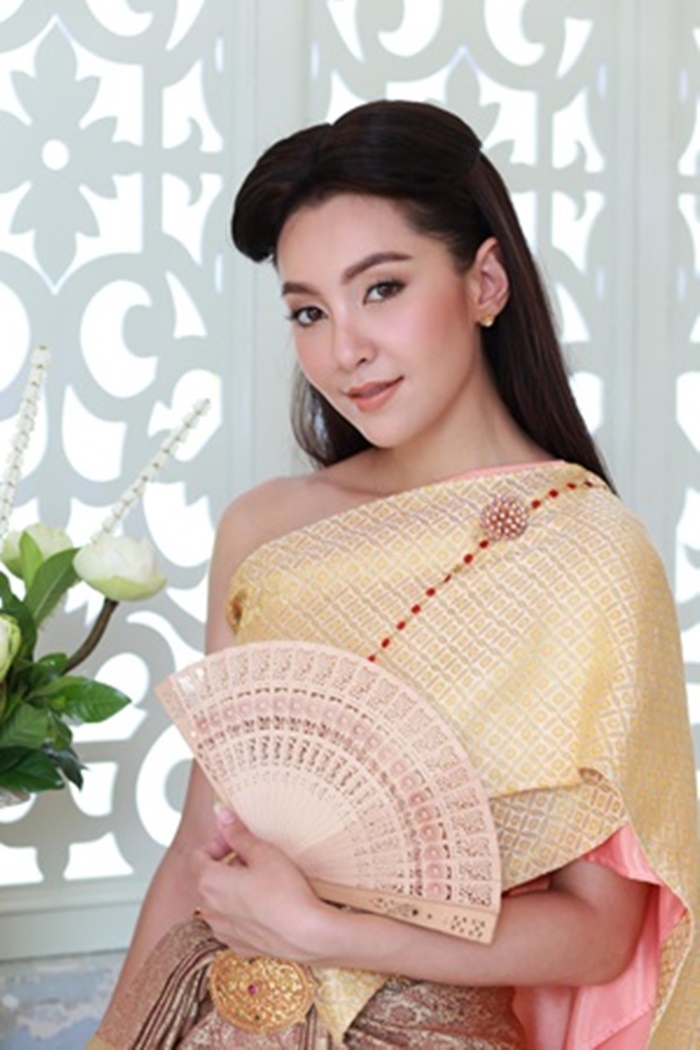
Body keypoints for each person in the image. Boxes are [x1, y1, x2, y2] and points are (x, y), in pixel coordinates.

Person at [88, 100, 699, 1049]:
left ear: (484, 281)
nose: (345, 350)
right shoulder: (264, 531)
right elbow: (194, 849)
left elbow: (600, 933)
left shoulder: (588, 554)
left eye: (381, 289)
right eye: (308, 311)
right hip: (207, 1016)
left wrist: (327, 934)